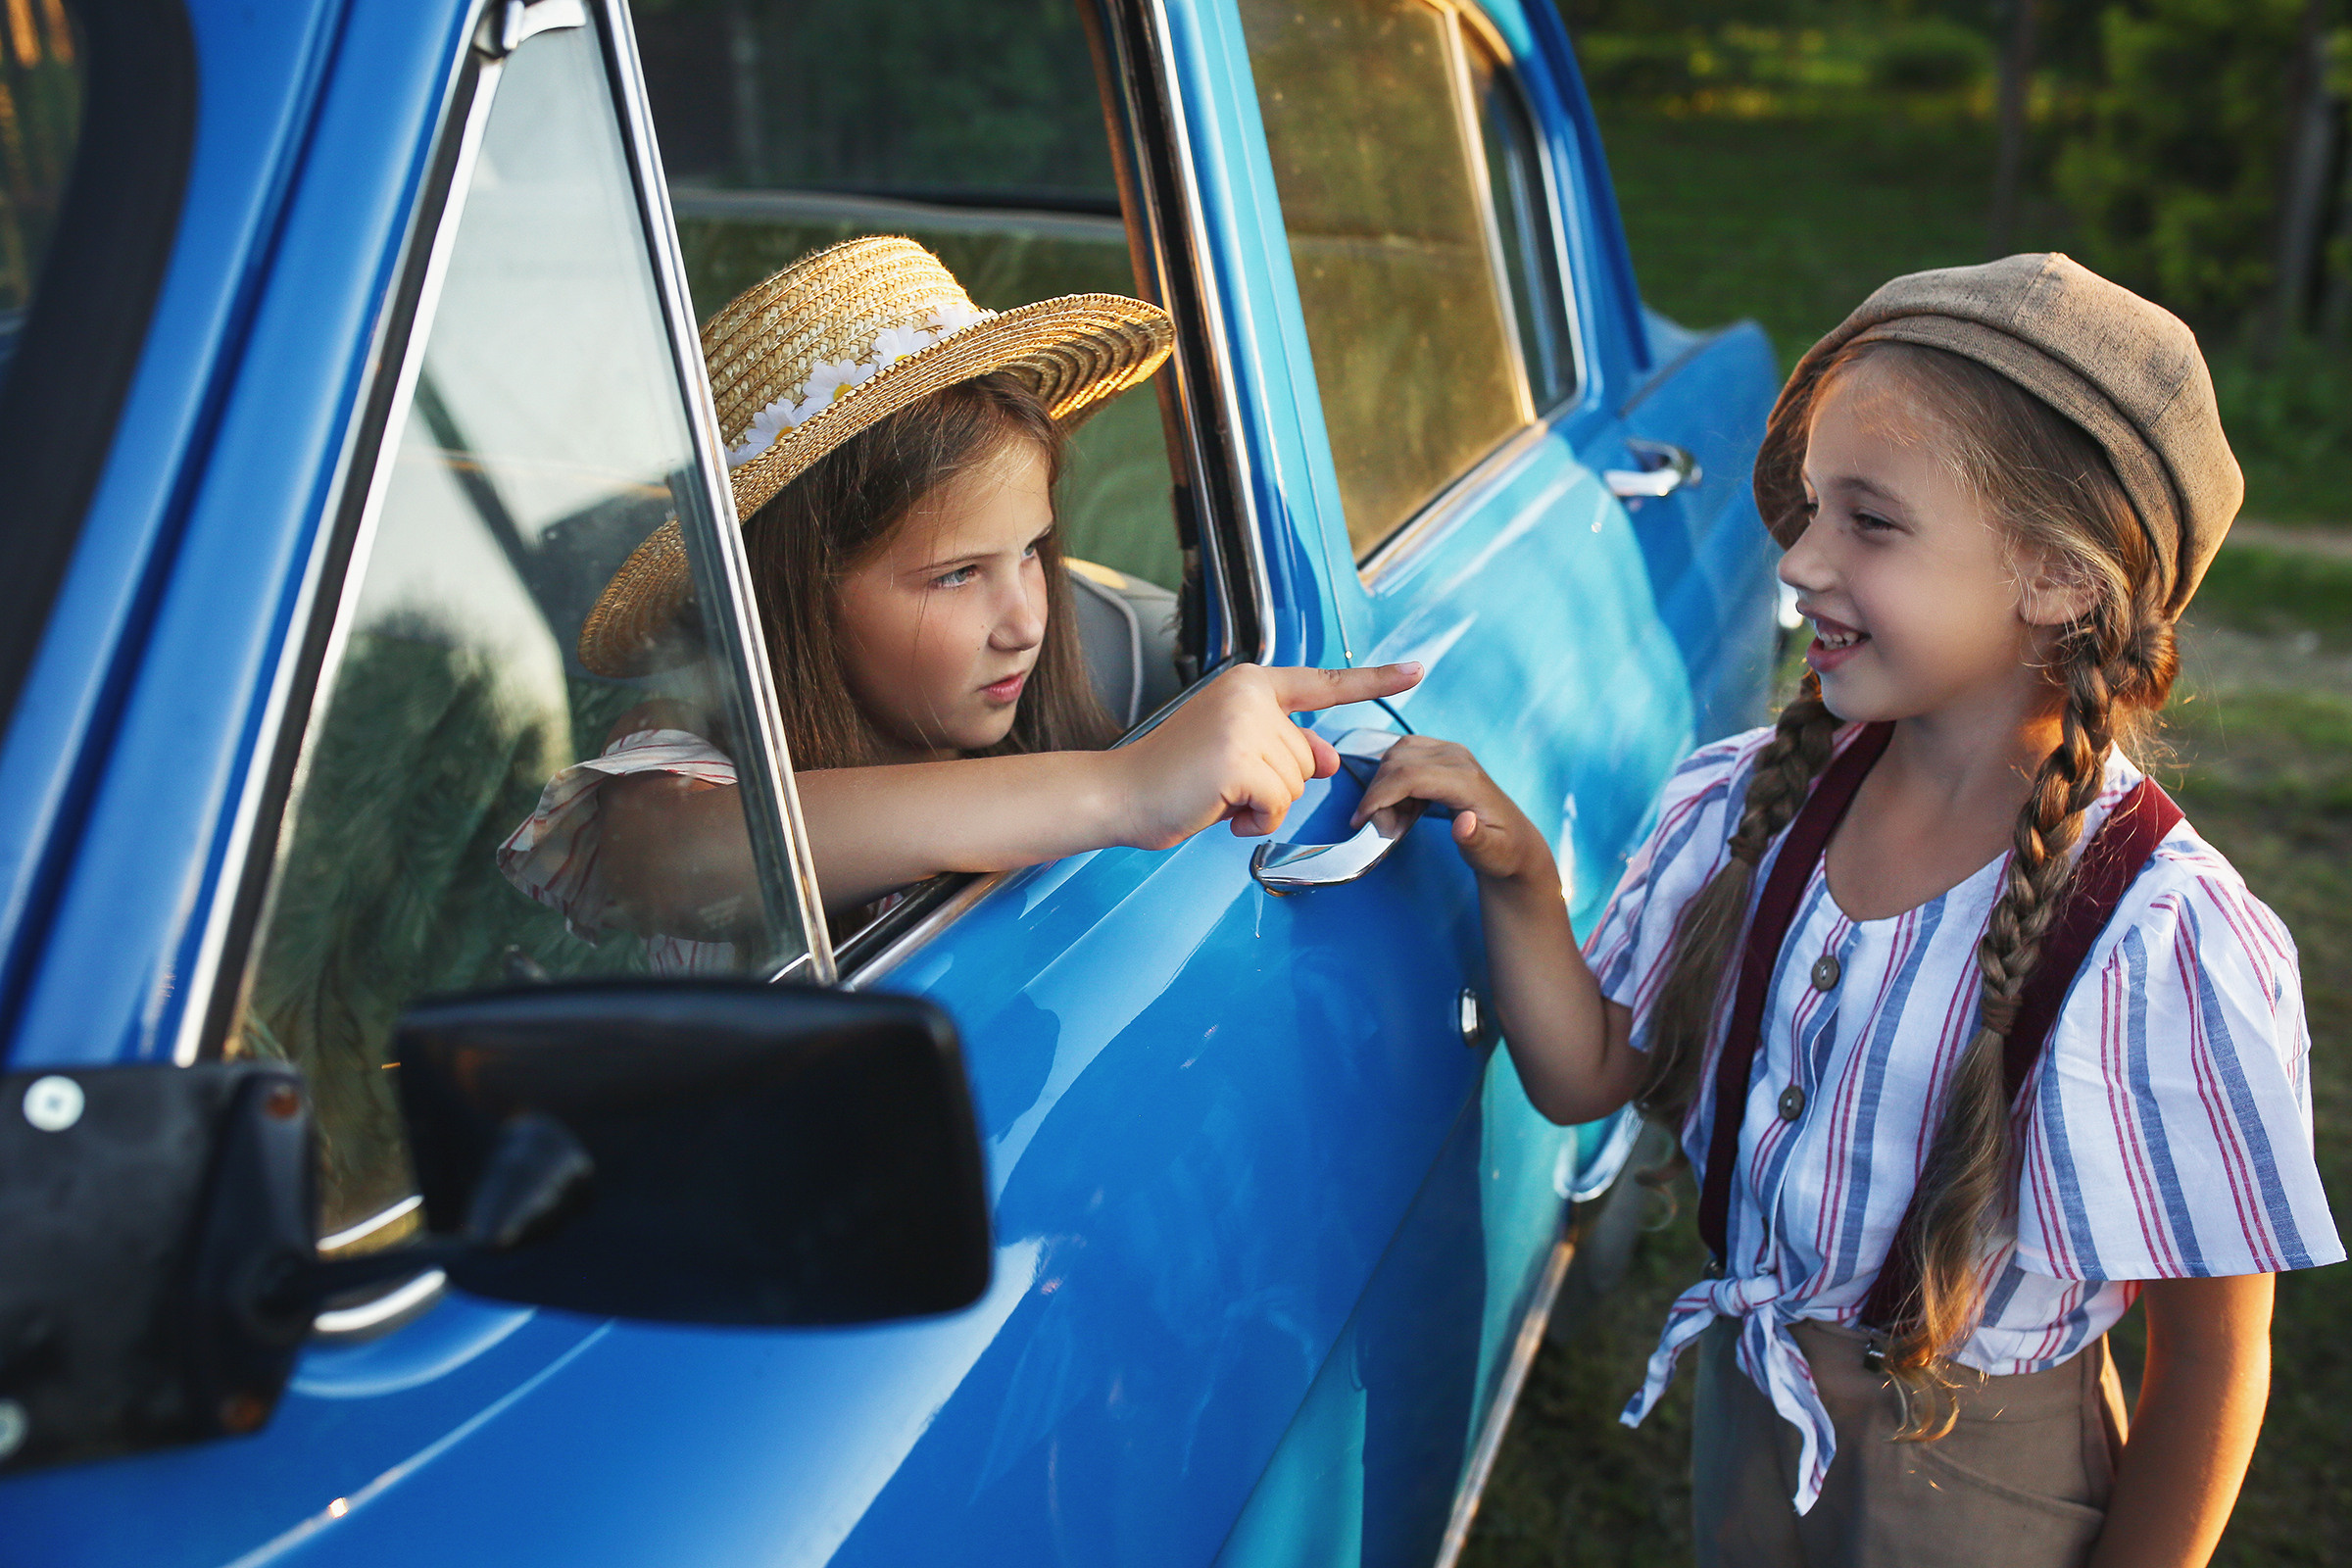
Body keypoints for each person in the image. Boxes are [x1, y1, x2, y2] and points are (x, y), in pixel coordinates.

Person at [1355, 255, 2340, 1567]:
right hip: (1753, 1425)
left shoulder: (2156, 939)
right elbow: (1587, 1072)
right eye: (1812, 510)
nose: (1799, 562)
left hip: (1986, 1493)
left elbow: (2215, 1364)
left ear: (2056, 577)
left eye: (1869, 524)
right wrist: (1519, 878)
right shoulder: (1751, 809)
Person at [500, 236, 1416, 966]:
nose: (1025, 622)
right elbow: (671, 858)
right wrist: (1121, 788)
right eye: (955, 574)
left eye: (1032, 553)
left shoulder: (1039, 709)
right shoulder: (684, 761)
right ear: (797, 599)